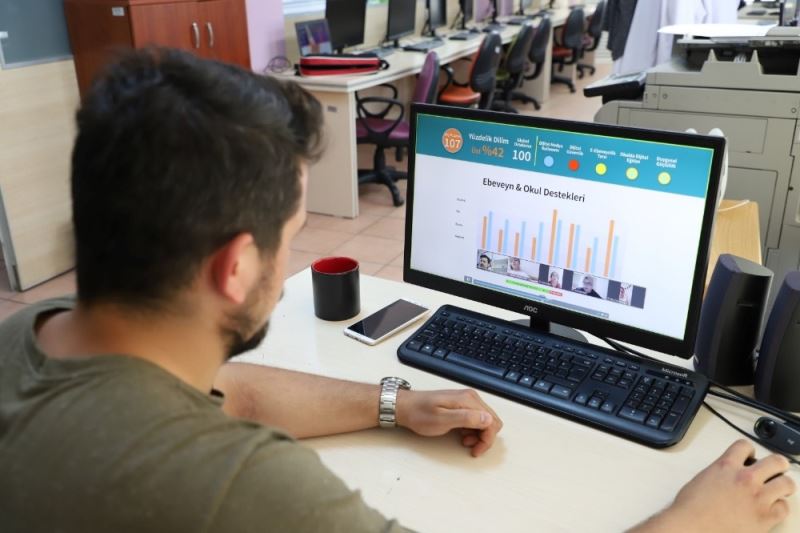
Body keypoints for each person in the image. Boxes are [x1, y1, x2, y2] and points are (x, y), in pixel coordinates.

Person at [0, 49, 794, 533]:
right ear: (235, 267)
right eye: (292, 233)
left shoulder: (34, 333)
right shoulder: (232, 486)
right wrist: (698, 519)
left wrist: (396, 403)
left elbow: (226, 390)